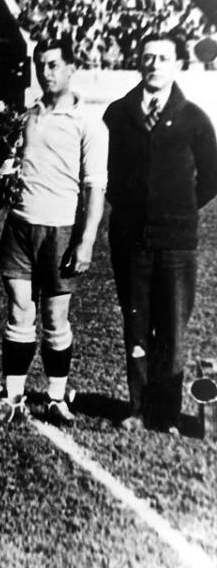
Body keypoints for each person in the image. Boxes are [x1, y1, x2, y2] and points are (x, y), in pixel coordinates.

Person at [0, 38, 107, 426]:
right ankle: (13, 397)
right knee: (19, 310)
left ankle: (56, 398)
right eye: (41, 65)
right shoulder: (26, 115)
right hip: (20, 223)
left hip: (60, 228)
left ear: (72, 67)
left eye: (53, 64)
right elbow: (12, 164)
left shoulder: (89, 122)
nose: (46, 72)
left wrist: (85, 241)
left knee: (55, 318)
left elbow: (95, 186)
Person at [104, 32, 217, 434]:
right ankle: (137, 408)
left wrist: (178, 208)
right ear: (139, 62)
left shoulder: (194, 118)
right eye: (148, 57)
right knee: (136, 323)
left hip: (176, 241)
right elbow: (108, 174)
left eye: (163, 58)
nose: (154, 64)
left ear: (176, 65)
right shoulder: (117, 114)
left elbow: (210, 178)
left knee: (171, 327)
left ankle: (166, 413)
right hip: (130, 238)